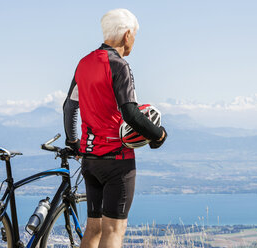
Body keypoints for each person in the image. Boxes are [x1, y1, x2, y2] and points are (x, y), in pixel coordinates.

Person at [63, 8, 167, 248]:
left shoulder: (84, 63)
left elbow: (69, 108)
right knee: (113, 231)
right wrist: (158, 135)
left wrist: (73, 143)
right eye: (135, 36)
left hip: (90, 160)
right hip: (117, 161)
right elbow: (131, 114)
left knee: (93, 229)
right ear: (127, 35)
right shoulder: (119, 66)